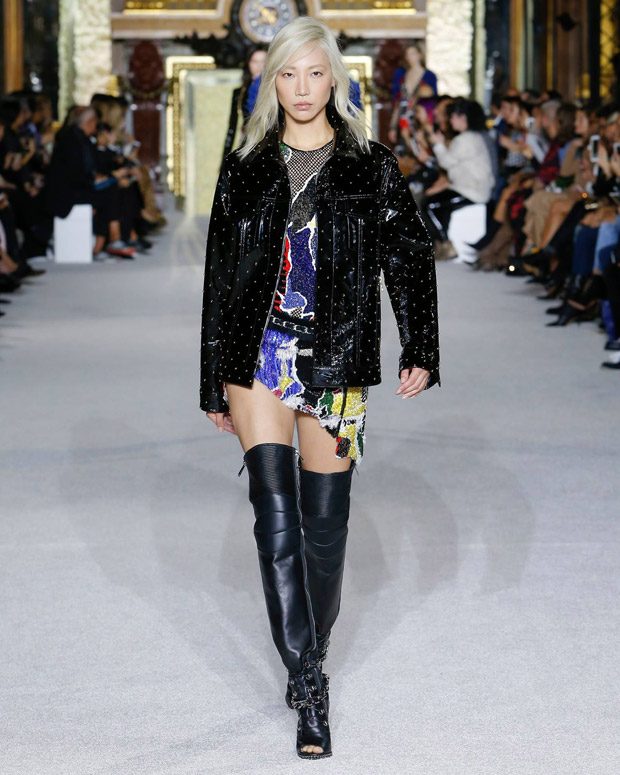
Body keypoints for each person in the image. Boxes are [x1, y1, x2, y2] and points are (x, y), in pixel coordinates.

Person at [200, 16, 439, 760]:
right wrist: (211, 379)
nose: (302, 88)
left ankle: (314, 641)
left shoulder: (370, 164)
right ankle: (308, 682)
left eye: (314, 72)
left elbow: (408, 254)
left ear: (335, 78)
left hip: (337, 356)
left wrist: (421, 346)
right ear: (271, 82)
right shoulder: (244, 164)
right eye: (288, 74)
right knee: (274, 515)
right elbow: (220, 272)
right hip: (259, 351)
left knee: (325, 529)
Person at [222, 46, 268, 162]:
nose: (259, 66)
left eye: (263, 61)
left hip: (270, 141)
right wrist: (225, 158)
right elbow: (232, 127)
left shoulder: (275, 89)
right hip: (248, 141)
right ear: (248, 64)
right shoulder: (240, 92)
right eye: (255, 62)